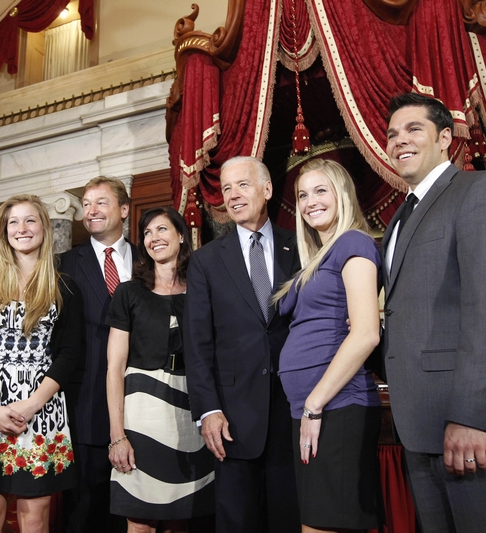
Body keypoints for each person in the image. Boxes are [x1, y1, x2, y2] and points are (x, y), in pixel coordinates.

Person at [381, 92, 486, 533]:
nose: (399, 140)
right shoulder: (398, 221)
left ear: (445, 138)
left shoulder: (481, 191)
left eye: (413, 129)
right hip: (421, 433)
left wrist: (471, 416)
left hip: (476, 434)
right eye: (392, 134)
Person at [0, 194, 84, 533]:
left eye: (30, 220)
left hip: (42, 409)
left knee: (35, 518)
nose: (22, 229)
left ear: (45, 227)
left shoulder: (64, 286)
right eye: (13, 222)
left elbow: (70, 354)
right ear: (4, 232)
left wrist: (33, 404)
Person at [184, 156, 302, 533]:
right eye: (227, 188)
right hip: (232, 419)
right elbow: (197, 342)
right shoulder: (205, 261)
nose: (232, 196)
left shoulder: (299, 246)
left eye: (242, 185)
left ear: (267, 190)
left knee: (289, 517)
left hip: (293, 411)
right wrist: (208, 410)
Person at [274, 159, 383, 532]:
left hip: (335, 405)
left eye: (321, 190)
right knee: (319, 524)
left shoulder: (353, 242)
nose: (310, 201)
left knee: (323, 526)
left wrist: (315, 404)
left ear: (342, 195)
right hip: (307, 409)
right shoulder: (312, 260)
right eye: (303, 195)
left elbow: (366, 332)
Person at [106, 207, 215, 532]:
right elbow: (114, 368)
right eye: (148, 233)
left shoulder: (201, 290)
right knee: (140, 521)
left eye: (162, 230)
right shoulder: (128, 292)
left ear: (181, 236)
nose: (155, 238)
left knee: (180, 519)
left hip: (190, 411)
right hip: (141, 415)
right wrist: (117, 436)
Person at [59, 176, 137, 532]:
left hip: (141, 399)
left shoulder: (147, 258)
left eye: (101, 202)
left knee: (136, 505)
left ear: (123, 209)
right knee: (85, 506)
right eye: (86, 204)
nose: (91, 210)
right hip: (85, 399)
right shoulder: (63, 264)